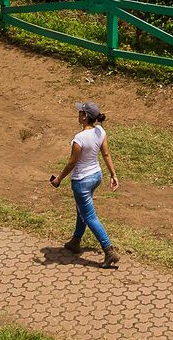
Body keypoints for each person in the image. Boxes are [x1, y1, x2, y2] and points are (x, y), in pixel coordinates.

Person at [47, 101, 116, 265]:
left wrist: (59, 179)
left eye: (80, 112)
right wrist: (113, 174)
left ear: (85, 116)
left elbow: (72, 162)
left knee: (89, 216)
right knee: (82, 210)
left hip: (82, 181)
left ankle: (109, 250)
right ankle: (75, 241)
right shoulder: (100, 131)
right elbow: (106, 155)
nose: (78, 114)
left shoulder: (79, 138)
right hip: (96, 176)